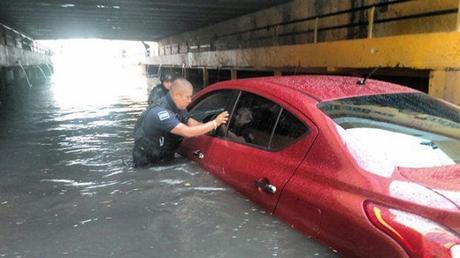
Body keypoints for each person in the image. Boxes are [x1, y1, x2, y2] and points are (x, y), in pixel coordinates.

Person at [133, 78, 229, 167]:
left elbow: (192, 123)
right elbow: (187, 132)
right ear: (176, 95)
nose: (190, 100)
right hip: (147, 162)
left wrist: (213, 129)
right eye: (187, 97)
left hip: (164, 156)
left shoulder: (178, 107)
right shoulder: (160, 113)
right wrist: (214, 123)